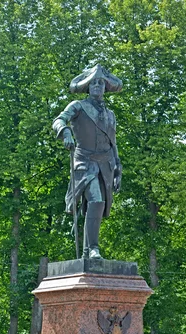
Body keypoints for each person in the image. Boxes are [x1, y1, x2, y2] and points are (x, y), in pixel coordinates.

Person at [52, 64, 122, 259]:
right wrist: (65, 132)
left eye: (101, 82)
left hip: (106, 164)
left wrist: (118, 168)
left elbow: (113, 142)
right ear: (88, 86)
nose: (97, 86)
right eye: (93, 83)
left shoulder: (110, 114)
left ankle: (87, 253)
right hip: (84, 161)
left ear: (106, 87)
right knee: (96, 200)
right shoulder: (78, 106)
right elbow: (59, 120)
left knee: (97, 206)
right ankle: (93, 249)